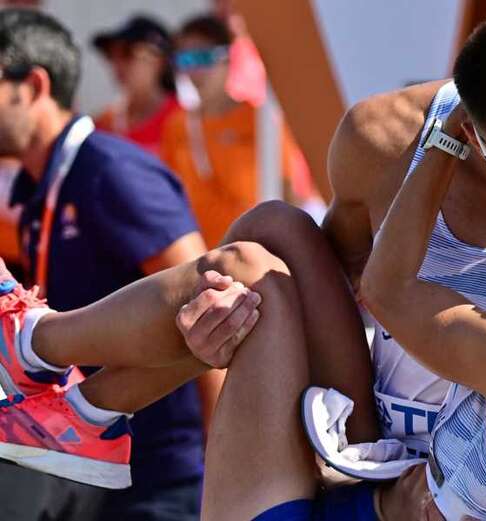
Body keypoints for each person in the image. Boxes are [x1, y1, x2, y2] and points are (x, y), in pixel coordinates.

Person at [0, 163, 486, 521]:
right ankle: (81, 414)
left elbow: (387, 292)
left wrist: (448, 130)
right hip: (375, 491)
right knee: (278, 228)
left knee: (250, 280)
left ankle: (37, 346)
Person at [0, 9, 214, 521]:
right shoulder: (38, 190)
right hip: (93, 460)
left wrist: (229, 463)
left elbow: (214, 295)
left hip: (167, 477)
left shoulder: (110, 170)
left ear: (32, 86)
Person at [161, 15, 258, 247]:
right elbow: (171, 200)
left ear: (228, 57)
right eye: (185, 60)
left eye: (203, 57)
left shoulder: (259, 119)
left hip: (259, 249)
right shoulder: (176, 125)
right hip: (204, 258)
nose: (195, 71)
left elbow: (287, 189)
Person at [92, 15, 180, 156]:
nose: (117, 63)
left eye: (128, 52)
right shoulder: (103, 125)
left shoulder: (186, 118)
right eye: (110, 54)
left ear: (159, 60)